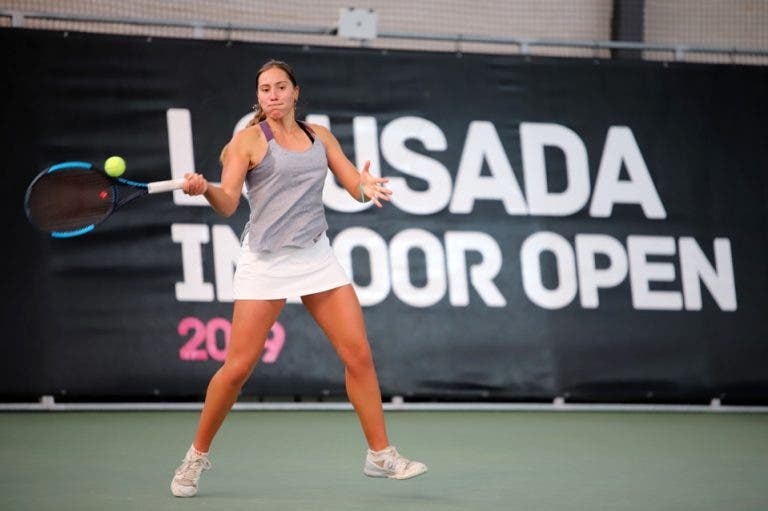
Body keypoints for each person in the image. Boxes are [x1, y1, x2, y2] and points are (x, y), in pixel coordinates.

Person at [170, 59, 427, 497]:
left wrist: (366, 185)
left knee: (359, 356)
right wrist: (206, 188)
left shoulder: (318, 136)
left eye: (280, 87)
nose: (272, 95)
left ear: (295, 92)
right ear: (259, 97)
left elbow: (352, 187)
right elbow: (229, 203)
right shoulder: (246, 142)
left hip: (315, 256)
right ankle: (195, 457)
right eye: (265, 89)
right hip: (265, 262)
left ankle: (380, 455)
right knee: (236, 370)